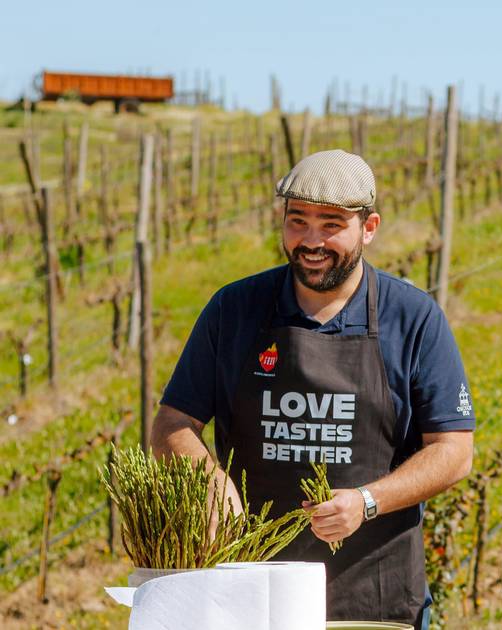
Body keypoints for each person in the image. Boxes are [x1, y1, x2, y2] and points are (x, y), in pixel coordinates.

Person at [151, 150, 475, 628]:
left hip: (374, 603)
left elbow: (454, 451)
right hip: (250, 597)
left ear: (369, 228)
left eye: (331, 224)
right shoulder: (234, 309)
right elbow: (171, 423)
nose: (311, 240)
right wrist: (209, 481)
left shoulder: (413, 318)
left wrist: (366, 501)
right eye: (298, 221)